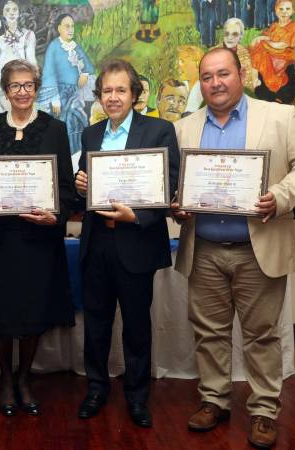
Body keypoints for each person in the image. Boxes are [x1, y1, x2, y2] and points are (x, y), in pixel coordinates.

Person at [172, 48, 295, 449]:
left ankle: (263, 410)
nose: (215, 83)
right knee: (209, 333)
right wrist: (178, 203)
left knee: (261, 336)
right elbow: (176, 183)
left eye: (223, 74)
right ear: (200, 83)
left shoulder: (278, 116)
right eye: (207, 77)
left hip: (258, 247)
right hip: (203, 247)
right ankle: (214, 399)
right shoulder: (184, 127)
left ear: (241, 74)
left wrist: (279, 196)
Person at [0, 59, 75, 417]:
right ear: (5, 91)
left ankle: (25, 379)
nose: (23, 92)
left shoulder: (55, 129)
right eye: (16, 86)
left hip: (38, 240)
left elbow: (65, 186)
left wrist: (54, 216)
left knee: (33, 313)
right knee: (0, 314)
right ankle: (5, 380)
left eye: (29, 85)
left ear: (37, 88)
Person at [75, 59, 180, 428]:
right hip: (96, 244)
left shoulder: (159, 130)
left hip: (136, 242)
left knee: (136, 327)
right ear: (99, 95)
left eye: (121, 90)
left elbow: (169, 185)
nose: (114, 97)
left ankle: (137, 398)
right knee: (96, 325)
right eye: (107, 90)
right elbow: (84, 187)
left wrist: (136, 216)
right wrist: (80, 185)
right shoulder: (90, 134)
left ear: (135, 94)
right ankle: (96, 389)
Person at [41, 13, 95, 155]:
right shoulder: (53, 47)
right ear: (59, 28)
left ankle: (77, 157)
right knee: (63, 126)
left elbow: (89, 66)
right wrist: (55, 100)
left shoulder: (76, 47)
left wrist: (84, 74)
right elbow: (49, 73)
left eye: (72, 26)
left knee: (77, 123)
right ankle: (64, 159)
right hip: (60, 95)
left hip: (76, 94)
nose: (70, 29)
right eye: (67, 26)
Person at [0, 0, 37, 114]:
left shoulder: (28, 35)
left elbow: (32, 62)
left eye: (15, 9)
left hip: (21, 82)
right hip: (1, 82)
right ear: (3, 14)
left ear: (19, 13)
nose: (11, 13)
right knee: (2, 119)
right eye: (8, 10)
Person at [250, 0, 295, 103]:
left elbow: (283, 45)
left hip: (284, 54)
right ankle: (255, 79)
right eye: (281, 9)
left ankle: (266, 81)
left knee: (261, 47)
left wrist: (265, 43)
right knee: (258, 48)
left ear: (292, 11)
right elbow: (267, 36)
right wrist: (260, 38)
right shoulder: (275, 25)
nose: (284, 12)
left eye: (287, 9)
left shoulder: (293, 26)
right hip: (272, 52)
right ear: (276, 11)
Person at [218, 17, 258, 91]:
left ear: (241, 37)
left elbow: (247, 84)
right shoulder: (213, 53)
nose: (230, 37)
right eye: (227, 34)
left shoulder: (245, 54)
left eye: (235, 34)